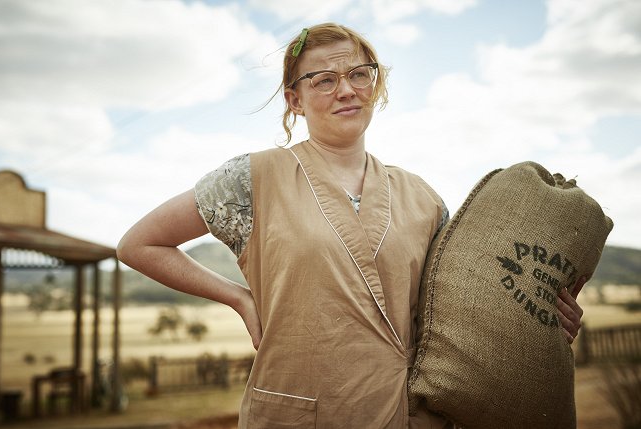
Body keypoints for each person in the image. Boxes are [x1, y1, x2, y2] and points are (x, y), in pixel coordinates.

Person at [117, 23, 585, 428]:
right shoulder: (250, 180)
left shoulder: (422, 198)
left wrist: (537, 319)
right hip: (296, 411)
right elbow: (140, 244)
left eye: (359, 74)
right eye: (323, 80)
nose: (346, 90)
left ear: (375, 85)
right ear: (294, 99)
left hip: (407, 414)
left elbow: (460, 304)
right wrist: (240, 298)